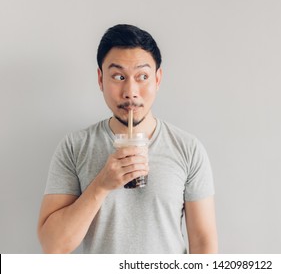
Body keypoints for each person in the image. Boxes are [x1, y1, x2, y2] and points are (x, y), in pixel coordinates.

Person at [37, 24, 218, 254]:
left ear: (158, 79)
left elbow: (203, 244)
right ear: (101, 79)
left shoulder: (188, 149)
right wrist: (102, 184)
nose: (130, 91)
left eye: (142, 76)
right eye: (119, 76)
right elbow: (52, 246)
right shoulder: (74, 147)